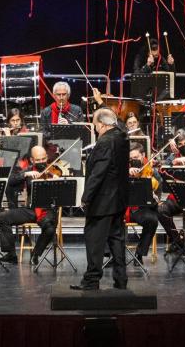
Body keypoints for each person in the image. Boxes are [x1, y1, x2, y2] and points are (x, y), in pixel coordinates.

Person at [72, 107, 129, 291]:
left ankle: (91, 280)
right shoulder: (122, 137)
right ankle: (121, 280)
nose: (95, 129)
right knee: (116, 239)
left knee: (94, 240)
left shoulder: (105, 142)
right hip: (119, 199)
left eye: (96, 125)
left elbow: (98, 173)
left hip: (103, 201)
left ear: (103, 125)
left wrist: (86, 197)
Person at [0, 145, 60, 265]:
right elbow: (10, 181)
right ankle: (11, 254)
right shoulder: (29, 170)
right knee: (2, 217)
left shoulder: (53, 170)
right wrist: (25, 175)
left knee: (50, 229)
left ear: (47, 157)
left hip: (47, 210)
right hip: (31, 210)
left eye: (43, 159)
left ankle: (35, 254)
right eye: (38, 160)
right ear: (32, 160)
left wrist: (57, 181)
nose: (41, 162)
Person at [125, 142, 160, 260]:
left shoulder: (151, 171)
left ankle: (140, 253)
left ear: (143, 155)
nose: (133, 160)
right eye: (130, 158)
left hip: (140, 209)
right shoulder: (122, 169)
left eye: (136, 157)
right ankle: (114, 256)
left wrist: (153, 195)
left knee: (152, 220)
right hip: (123, 207)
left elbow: (158, 194)